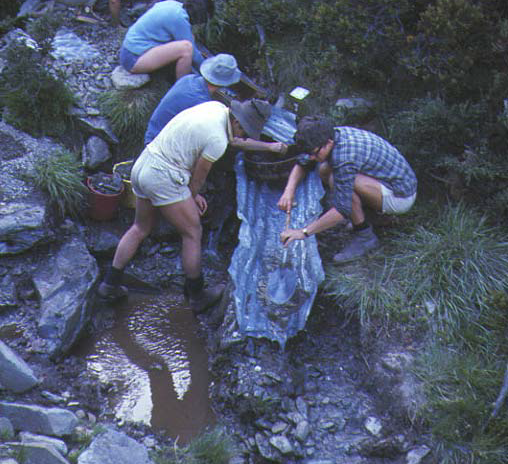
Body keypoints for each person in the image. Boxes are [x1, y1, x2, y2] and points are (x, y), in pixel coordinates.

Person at [97, 97, 272, 312]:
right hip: (163, 175)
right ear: (237, 123)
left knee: (140, 227)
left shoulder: (215, 108)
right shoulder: (217, 140)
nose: (243, 136)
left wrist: (271, 147)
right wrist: (191, 196)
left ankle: (109, 284)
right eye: (245, 131)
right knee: (192, 232)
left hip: (144, 164)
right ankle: (197, 296)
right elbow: (199, 177)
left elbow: (194, 146)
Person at [278, 115, 417, 263]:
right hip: (383, 181)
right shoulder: (327, 135)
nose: (311, 157)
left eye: (314, 153)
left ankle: (365, 237)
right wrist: (288, 192)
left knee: (336, 180)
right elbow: (303, 162)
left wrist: (303, 232)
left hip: (401, 196)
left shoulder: (344, 156)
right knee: (325, 169)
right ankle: (366, 213)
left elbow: (341, 210)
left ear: (328, 143)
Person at [144, 51, 288, 155]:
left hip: (154, 133)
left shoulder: (190, 80)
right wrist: (269, 147)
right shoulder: (201, 104)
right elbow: (233, 140)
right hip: (158, 147)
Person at [119, 0, 213, 80]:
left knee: (188, 42)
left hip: (129, 51)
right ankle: (183, 87)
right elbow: (193, 54)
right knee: (186, 49)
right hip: (133, 59)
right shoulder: (178, 19)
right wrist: (208, 71)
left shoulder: (173, 5)